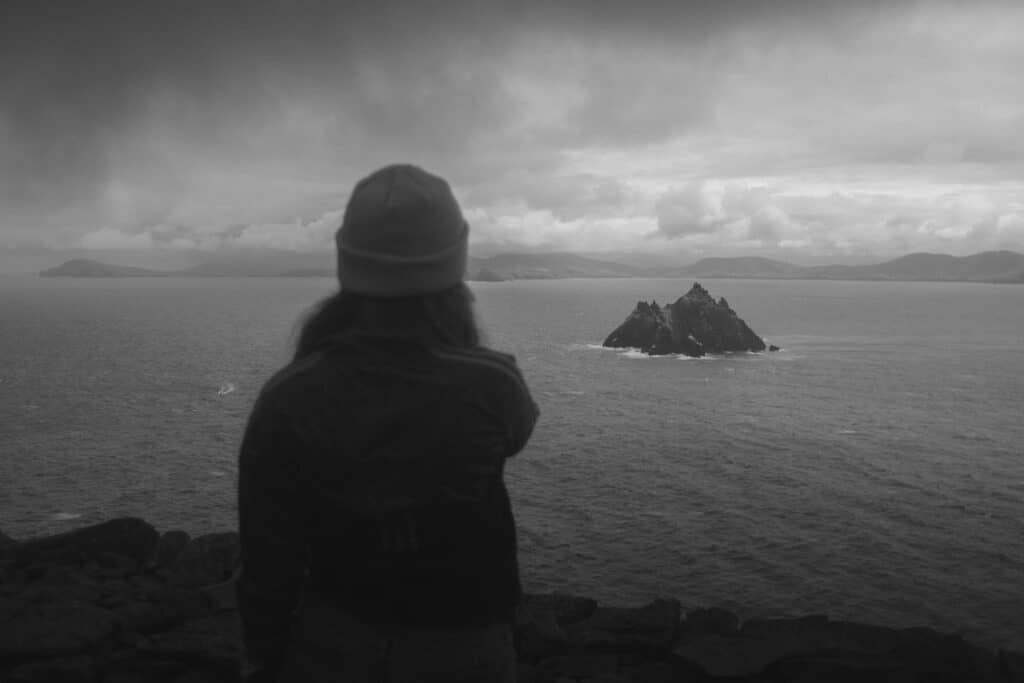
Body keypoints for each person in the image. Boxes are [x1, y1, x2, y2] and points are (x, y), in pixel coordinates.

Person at [236, 164, 539, 683]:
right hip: (469, 649)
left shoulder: (288, 397)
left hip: (329, 649)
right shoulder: (494, 385)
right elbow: (515, 433)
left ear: (348, 264)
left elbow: (267, 564)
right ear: (453, 269)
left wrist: (263, 661)